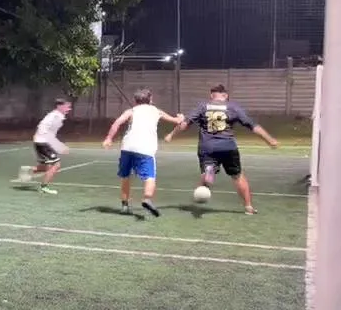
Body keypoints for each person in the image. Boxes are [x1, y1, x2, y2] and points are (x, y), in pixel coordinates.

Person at [166, 84, 280, 215]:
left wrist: (171, 134)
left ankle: (207, 180)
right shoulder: (233, 107)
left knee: (209, 173)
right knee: (237, 175)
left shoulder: (203, 106)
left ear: (211, 95)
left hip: (208, 148)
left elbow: (184, 125)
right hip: (228, 147)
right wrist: (269, 139)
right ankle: (248, 207)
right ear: (225, 95)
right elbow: (252, 125)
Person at [102, 88, 183, 217]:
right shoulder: (156, 111)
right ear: (150, 99)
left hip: (127, 147)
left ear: (135, 100)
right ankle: (147, 198)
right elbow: (177, 121)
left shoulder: (131, 111)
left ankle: (125, 206)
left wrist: (108, 138)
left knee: (126, 177)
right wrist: (180, 117)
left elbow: (117, 123)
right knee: (150, 177)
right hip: (145, 149)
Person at [17, 99, 72, 194]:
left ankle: (29, 170)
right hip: (43, 142)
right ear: (59, 106)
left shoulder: (55, 115)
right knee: (56, 165)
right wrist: (60, 147)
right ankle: (44, 187)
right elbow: (48, 133)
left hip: (41, 141)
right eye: (67, 107)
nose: (69, 109)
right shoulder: (56, 117)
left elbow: (44, 129)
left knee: (47, 167)